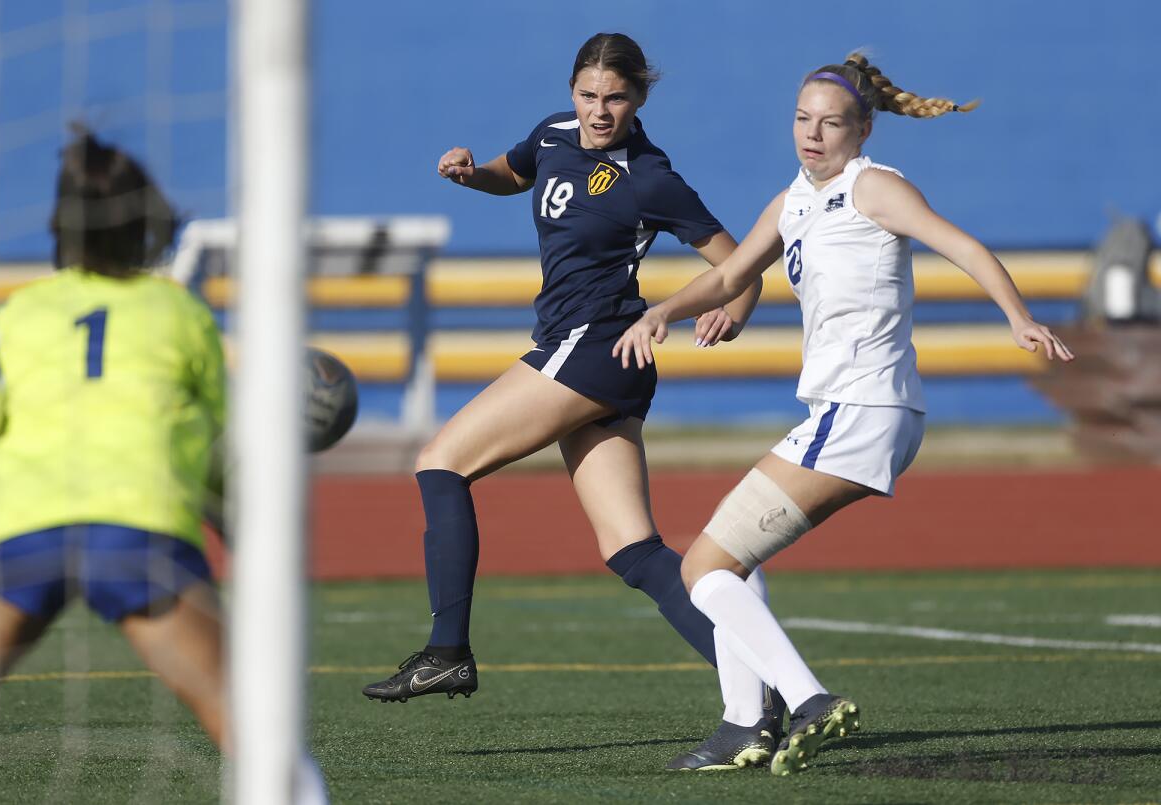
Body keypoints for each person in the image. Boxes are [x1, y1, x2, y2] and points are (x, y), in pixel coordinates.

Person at [613, 53, 1074, 774]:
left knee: (703, 568)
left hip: (864, 407)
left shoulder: (874, 187)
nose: (813, 133)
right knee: (730, 557)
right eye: (803, 118)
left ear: (863, 131)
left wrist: (1017, 317)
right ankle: (742, 723)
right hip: (851, 410)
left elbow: (962, 244)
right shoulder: (793, 198)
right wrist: (663, 312)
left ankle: (807, 700)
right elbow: (733, 274)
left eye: (831, 123)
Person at [362, 33, 772, 715]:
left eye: (615, 97)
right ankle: (769, 687)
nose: (599, 110)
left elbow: (738, 262)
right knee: (634, 550)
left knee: (441, 461)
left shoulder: (649, 175)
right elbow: (514, 172)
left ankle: (446, 652)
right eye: (588, 95)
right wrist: (472, 175)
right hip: (599, 359)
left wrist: (737, 310)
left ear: (640, 97)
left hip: (593, 349)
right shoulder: (553, 134)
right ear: (572, 92)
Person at [0, 129, 328, 800]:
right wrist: (247, 525)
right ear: (145, 219)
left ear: (60, 223)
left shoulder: (19, 314)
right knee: (253, 733)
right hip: (137, 527)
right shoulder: (182, 315)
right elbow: (222, 451)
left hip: (19, 525)